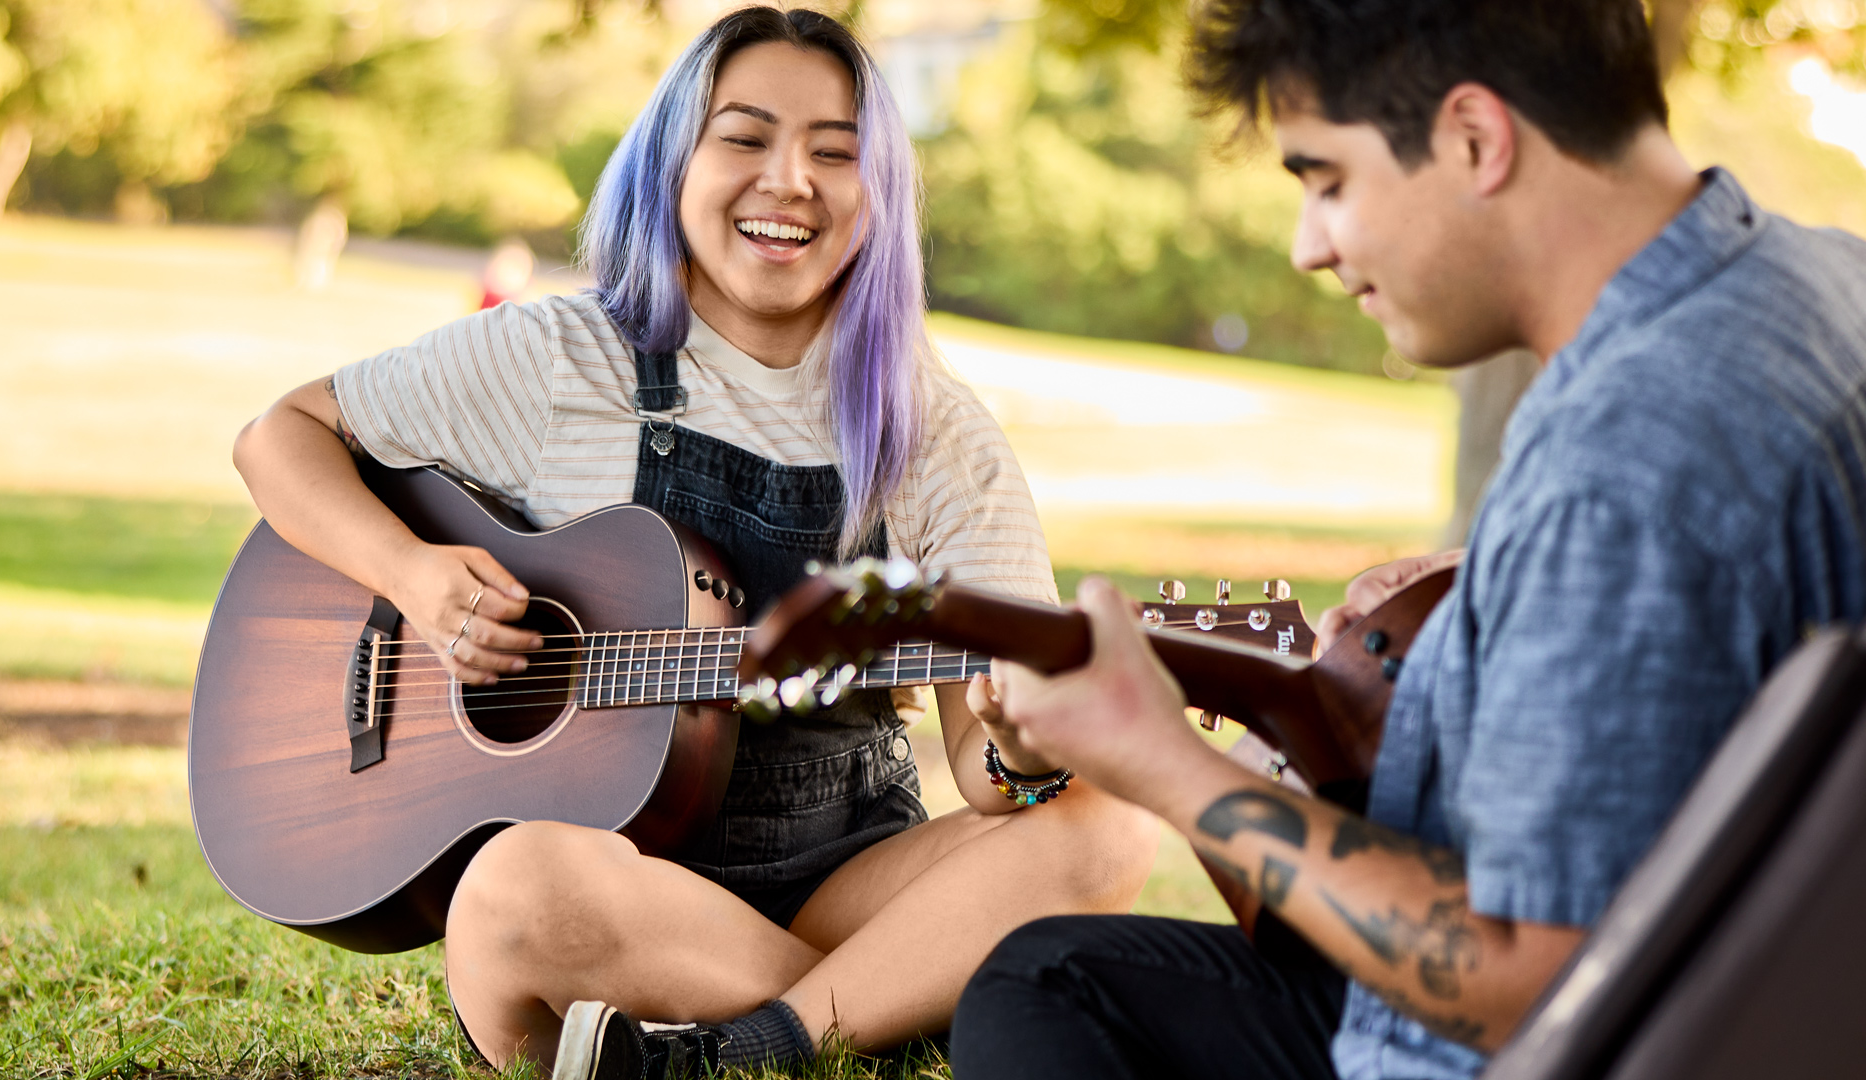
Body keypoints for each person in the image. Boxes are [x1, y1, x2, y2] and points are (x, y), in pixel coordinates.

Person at [231, 8, 1157, 1079]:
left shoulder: (933, 432)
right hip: (612, 893)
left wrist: (1028, 750)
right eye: (746, 136)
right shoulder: (559, 358)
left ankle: (746, 1050)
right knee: (510, 889)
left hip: (847, 871)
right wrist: (416, 577)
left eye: (835, 152)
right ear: (675, 160)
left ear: (880, 198)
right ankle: (885, 1006)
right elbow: (279, 440)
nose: (790, 179)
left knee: (1107, 825)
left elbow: (989, 776)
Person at [950, 2, 1866, 1079]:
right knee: (1048, 978)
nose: (1308, 247)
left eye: (1327, 179)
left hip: (1538, 1036)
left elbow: (1539, 987)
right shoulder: (1821, 285)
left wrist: (1168, 766)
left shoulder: (1616, 473)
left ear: (1476, 138)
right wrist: (1496, 598)